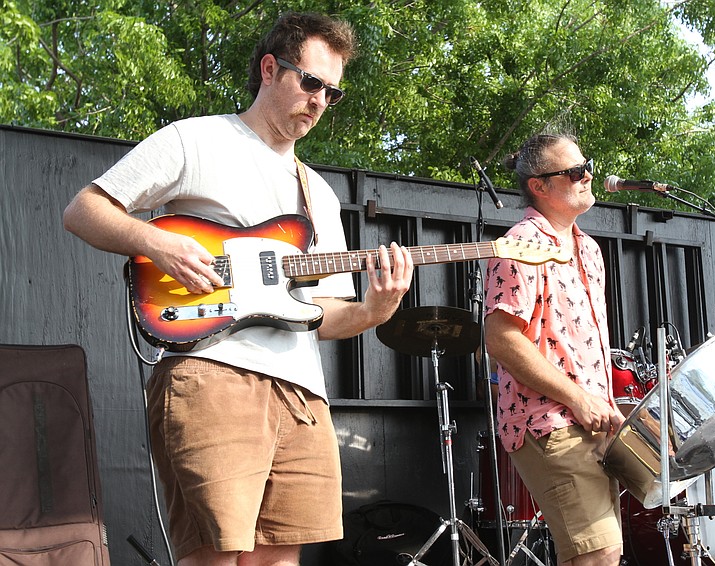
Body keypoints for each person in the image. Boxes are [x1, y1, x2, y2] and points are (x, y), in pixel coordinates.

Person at [63, 12, 414, 566]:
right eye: (311, 82)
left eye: (332, 92)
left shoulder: (317, 193)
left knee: (280, 560)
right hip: (212, 373)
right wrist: (157, 244)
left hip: (301, 397)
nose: (320, 100)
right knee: (215, 557)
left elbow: (327, 313)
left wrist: (376, 308)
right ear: (270, 69)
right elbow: (83, 210)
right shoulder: (196, 139)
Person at [483, 132, 625, 566]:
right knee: (597, 554)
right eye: (574, 171)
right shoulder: (520, 245)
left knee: (601, 553)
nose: (588, 176)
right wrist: (579, 399)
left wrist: (603, 405)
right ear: (538, 186)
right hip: (548, 422)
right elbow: (500, 338)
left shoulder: (589, 248)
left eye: (588, 166)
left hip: (591, 418)